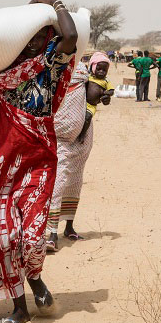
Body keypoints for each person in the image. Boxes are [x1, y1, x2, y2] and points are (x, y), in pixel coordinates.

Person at [0, 0, 78, 323]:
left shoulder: (50, 65)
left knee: (31, 237)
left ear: (47, 38)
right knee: (3, 236)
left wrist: (56, 4)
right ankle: (19, 308)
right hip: (1, 164)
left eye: (40, 36)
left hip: (39, 161)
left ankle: (37, 278)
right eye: (26, 37)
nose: (32, 43)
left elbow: (71, 38)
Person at [46, 51, 112, 252]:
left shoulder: (93, 80)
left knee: (75, 181)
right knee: (59, 180)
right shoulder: (76, 76)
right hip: (64, 139)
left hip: (82, 141)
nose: (101, 71)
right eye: (98, 67)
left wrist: (105, 97)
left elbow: (98, 98)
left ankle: (69, 227)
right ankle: (51, 233)